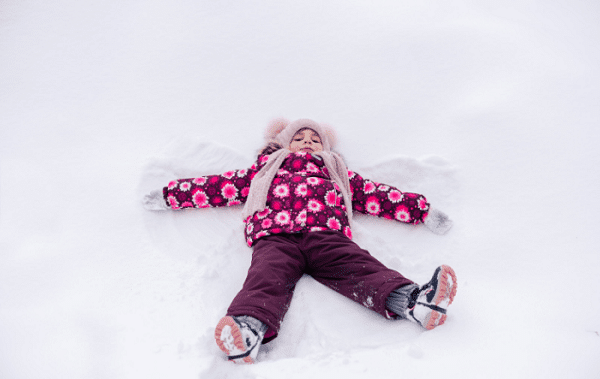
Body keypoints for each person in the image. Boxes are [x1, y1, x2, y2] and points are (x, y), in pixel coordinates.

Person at [143, 118, 456, 364]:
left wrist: (421, 211)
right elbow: (218, 186)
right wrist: (172, 195)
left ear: (325, 148)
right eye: (299, 138)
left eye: (315, 139)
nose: (308, 143)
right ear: (283, 144)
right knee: (266, 278)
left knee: (360, 268)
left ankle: (416, 303)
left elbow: (378, 195)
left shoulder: (337, 173)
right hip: (276, 237)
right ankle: (248, 329)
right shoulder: (265, 170)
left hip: (326, 235)